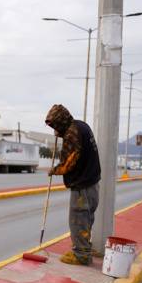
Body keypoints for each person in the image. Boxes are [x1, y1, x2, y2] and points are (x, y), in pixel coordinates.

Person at [44, 104, 102, 265]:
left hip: (82, 185)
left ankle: (81, 255)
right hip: (92, 182)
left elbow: (69, 163)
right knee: (86, 219)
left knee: (78, 219)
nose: (55, 130)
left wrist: (54, 170)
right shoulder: (81, 125)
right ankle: (83, 249)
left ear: (60, 121)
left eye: (55, 126)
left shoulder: (72, 134)